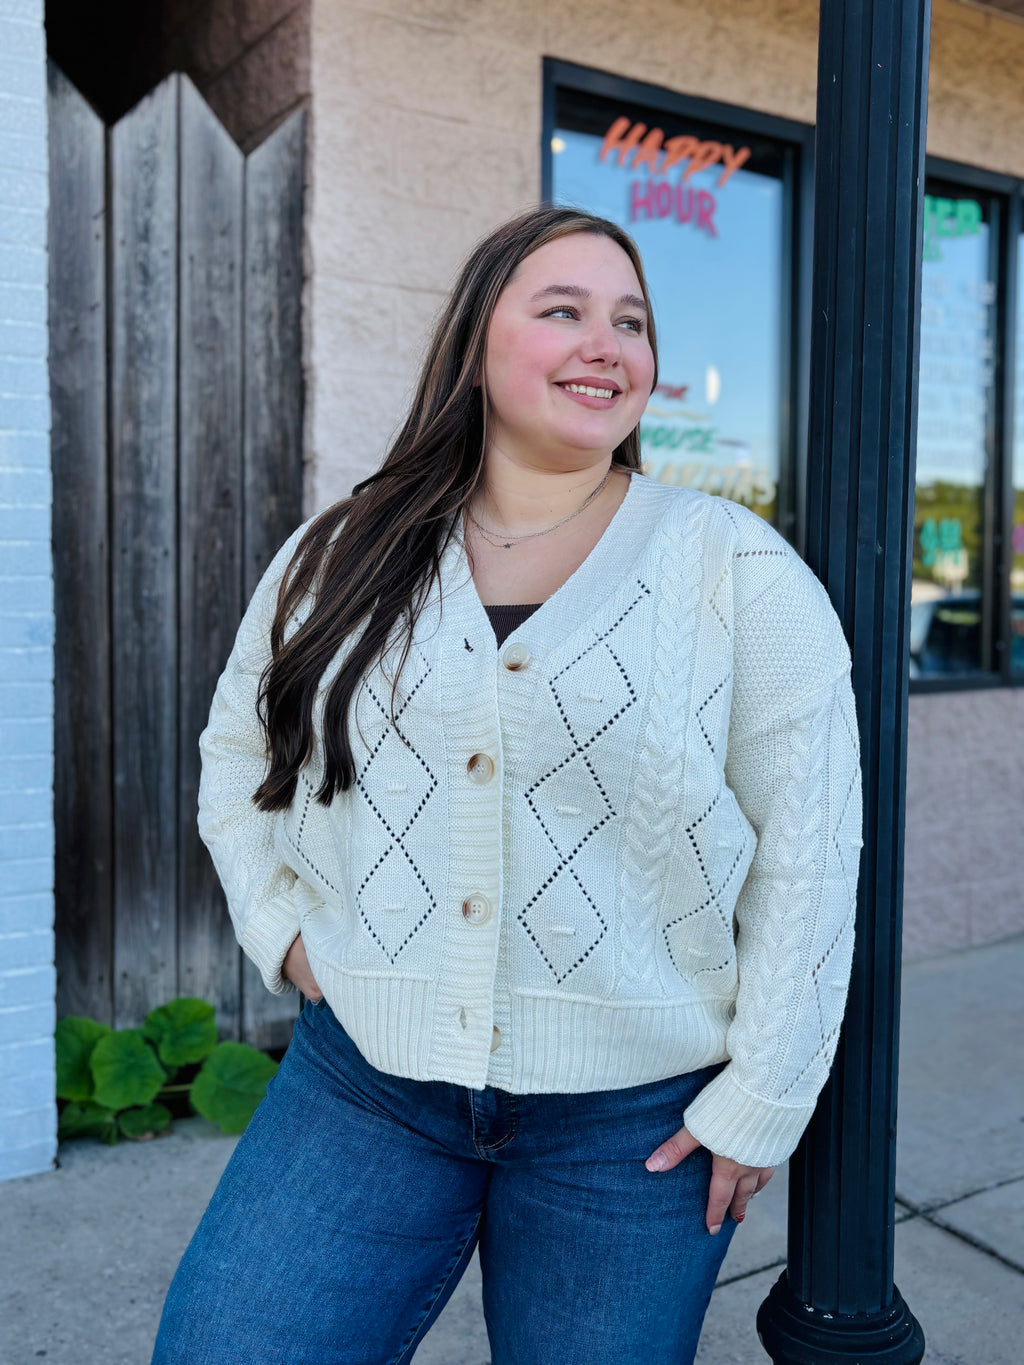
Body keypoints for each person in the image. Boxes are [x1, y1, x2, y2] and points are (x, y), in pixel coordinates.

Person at [152, 205, 862, 1365]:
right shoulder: (341, 552)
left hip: (631, 1127)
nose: (608, 344)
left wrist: (765, 1092)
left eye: (630, 322)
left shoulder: (732, 568)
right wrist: (280, 930)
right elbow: (238, 759)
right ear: (476, 345)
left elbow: (811, 846)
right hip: (364, 1087)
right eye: (564, 311)